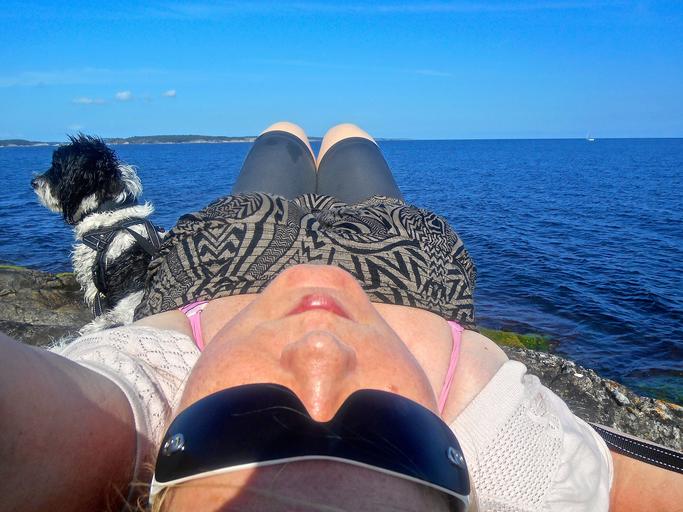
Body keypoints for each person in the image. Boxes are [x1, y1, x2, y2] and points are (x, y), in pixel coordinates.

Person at [1, 123, 681, 512]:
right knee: (351, 140)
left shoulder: (113, 439)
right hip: (400, 273)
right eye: (387, 435)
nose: (319, 353)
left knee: (282, 139)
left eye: (245, 424)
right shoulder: (519, 473)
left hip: (226, 266)